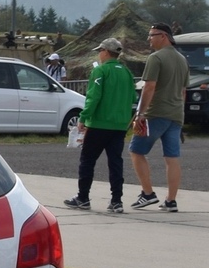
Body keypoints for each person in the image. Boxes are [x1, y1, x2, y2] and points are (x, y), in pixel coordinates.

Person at [63, 38, 135, 214]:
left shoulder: (100, 71)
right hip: (119, 125)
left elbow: (93, 97)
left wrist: (83, 117)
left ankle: (83, 197)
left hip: (98, 124)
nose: (99, 54)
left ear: (106, 52)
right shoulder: (126, 73)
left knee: (87, 160)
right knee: (115, 162)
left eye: (100, 51)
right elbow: (133, 97)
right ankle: (116, 200)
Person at [130, 22, 190, 212]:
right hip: (176, 114)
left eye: (152, 35)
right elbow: (183, 91)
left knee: (136, 151)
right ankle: (171, 200)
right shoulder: (182, 59)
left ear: (163, 36)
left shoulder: (155, 58)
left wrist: (140, 113)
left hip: (155, 113)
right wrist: (180, 113)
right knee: (172, 157)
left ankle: (147, 193)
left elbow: (149, 87)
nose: (149, 39)